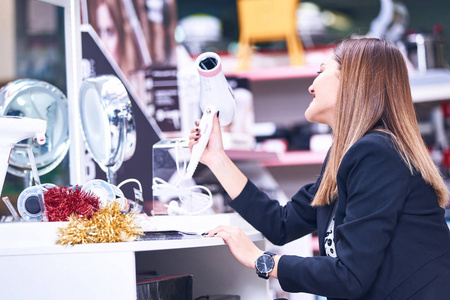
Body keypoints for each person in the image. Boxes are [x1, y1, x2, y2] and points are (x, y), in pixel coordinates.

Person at [188, 38, 450, 300]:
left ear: (352, 80)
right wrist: (216, 159)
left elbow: (350, 275)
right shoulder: (347, 155)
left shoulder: (378, 155)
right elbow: (281, 224)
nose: (311, 86)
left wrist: (261, 260)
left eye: (321, 71)